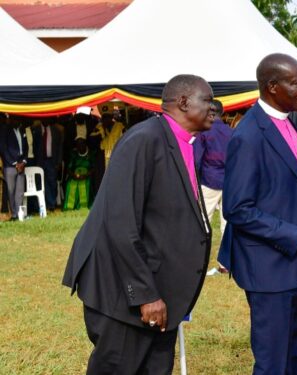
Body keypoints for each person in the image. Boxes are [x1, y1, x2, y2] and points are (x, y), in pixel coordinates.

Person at [61, 74, 215, 374]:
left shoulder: (183, 143)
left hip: (157, 294)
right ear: (183, 102)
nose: (215, 109)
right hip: (125, 299)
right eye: (208, 101)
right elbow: (120, 223)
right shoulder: (144, 140)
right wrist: (145, 294)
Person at [217, 53, 297, 374]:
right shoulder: (249, 136)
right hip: (269, 268)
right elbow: (238, 209)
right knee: (272, 364)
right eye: (295, 83)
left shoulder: (288, 124)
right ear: (272, 87)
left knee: (295, 357)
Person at [194, 100, 232, 233]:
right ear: (222, 113)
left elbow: (197, 159)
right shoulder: (231, 131)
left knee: (203, 220)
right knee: (227, 222)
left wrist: (195, 180)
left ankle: (200, 251)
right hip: (228, 180)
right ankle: (226, 252)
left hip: (209, 180)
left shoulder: (204, 132)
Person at [0, 116, 29, 221]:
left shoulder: (22, 130)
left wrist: (23, 162)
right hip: (10, 165)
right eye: (16, 119)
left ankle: (18, 214)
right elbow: (3, 149)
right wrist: (15, 163)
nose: (18, 121)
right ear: (11, 119)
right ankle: (13, 215)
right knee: (10, 191)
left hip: (22, 164)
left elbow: (26, 148)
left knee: (20, 191)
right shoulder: (5, 130)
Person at [34, 119, 63, 211]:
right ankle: (41, 205)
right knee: (40, 182)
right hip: (40, 161)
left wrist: (58, 162)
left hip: (52, 161)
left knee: (52, 182)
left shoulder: (55, 130)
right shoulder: (36, 130)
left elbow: (59, 147)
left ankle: (51, 205)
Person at [62, 138, 92, 211]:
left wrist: (86, 175)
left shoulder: (91, 154)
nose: (80, 147)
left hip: (87, 175)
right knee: (70, 184)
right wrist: (73, 175)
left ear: (85, 145)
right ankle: (70, 206)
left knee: (85, 184)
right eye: (78, 145)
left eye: (81, 145)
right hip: (74, 175)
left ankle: (83, 205)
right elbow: (68, 168)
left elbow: (94, 168)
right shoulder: (73, 155)